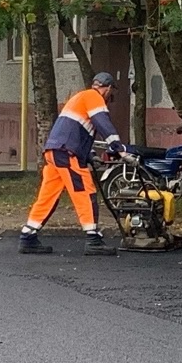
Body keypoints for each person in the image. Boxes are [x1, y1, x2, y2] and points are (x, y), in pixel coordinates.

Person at [21, 71, 124, 254]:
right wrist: (118, 147)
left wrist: (90, 154)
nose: (110, 96)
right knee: (85, 191)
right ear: (107, 88)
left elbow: (76, 130)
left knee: (48, 195)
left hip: (54, 151)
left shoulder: (78, 97)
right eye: (111, 92)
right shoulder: (94, 97)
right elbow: (102, 123)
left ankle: (28, 236)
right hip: (67, 154)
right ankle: (93, 239)